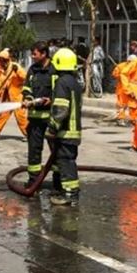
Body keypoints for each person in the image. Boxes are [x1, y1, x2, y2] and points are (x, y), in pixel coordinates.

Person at [48, 47, 83, 206]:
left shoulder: (62, 82)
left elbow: (61, 109)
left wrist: (52, 127)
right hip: (73, 131)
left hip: (66, 131)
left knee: (66, 162)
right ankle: (65, 190)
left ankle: (70, 194)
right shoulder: (74, 82)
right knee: (65, 161)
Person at [22, 41, 55, 188]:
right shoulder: (32, 70)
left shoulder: (54, 70)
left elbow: (60, 91)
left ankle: (58, 181)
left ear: (44, 54)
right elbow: (27, 88)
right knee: (34, 151)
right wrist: (27, 98)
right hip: (35, 120)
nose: (32, 56)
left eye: (34, 54)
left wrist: (51, 100)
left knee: (55, 151)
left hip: (51, 120)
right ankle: (34, 182)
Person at [0, 49, 28, 139]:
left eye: (0, 60)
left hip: (17, 97)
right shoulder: (3, 71)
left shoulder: (15, 67)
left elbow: (25, 76)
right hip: (7, 97)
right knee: (2, 114)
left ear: (5, 60)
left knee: (21, 117)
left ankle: (28, 134)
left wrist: (17, 70)